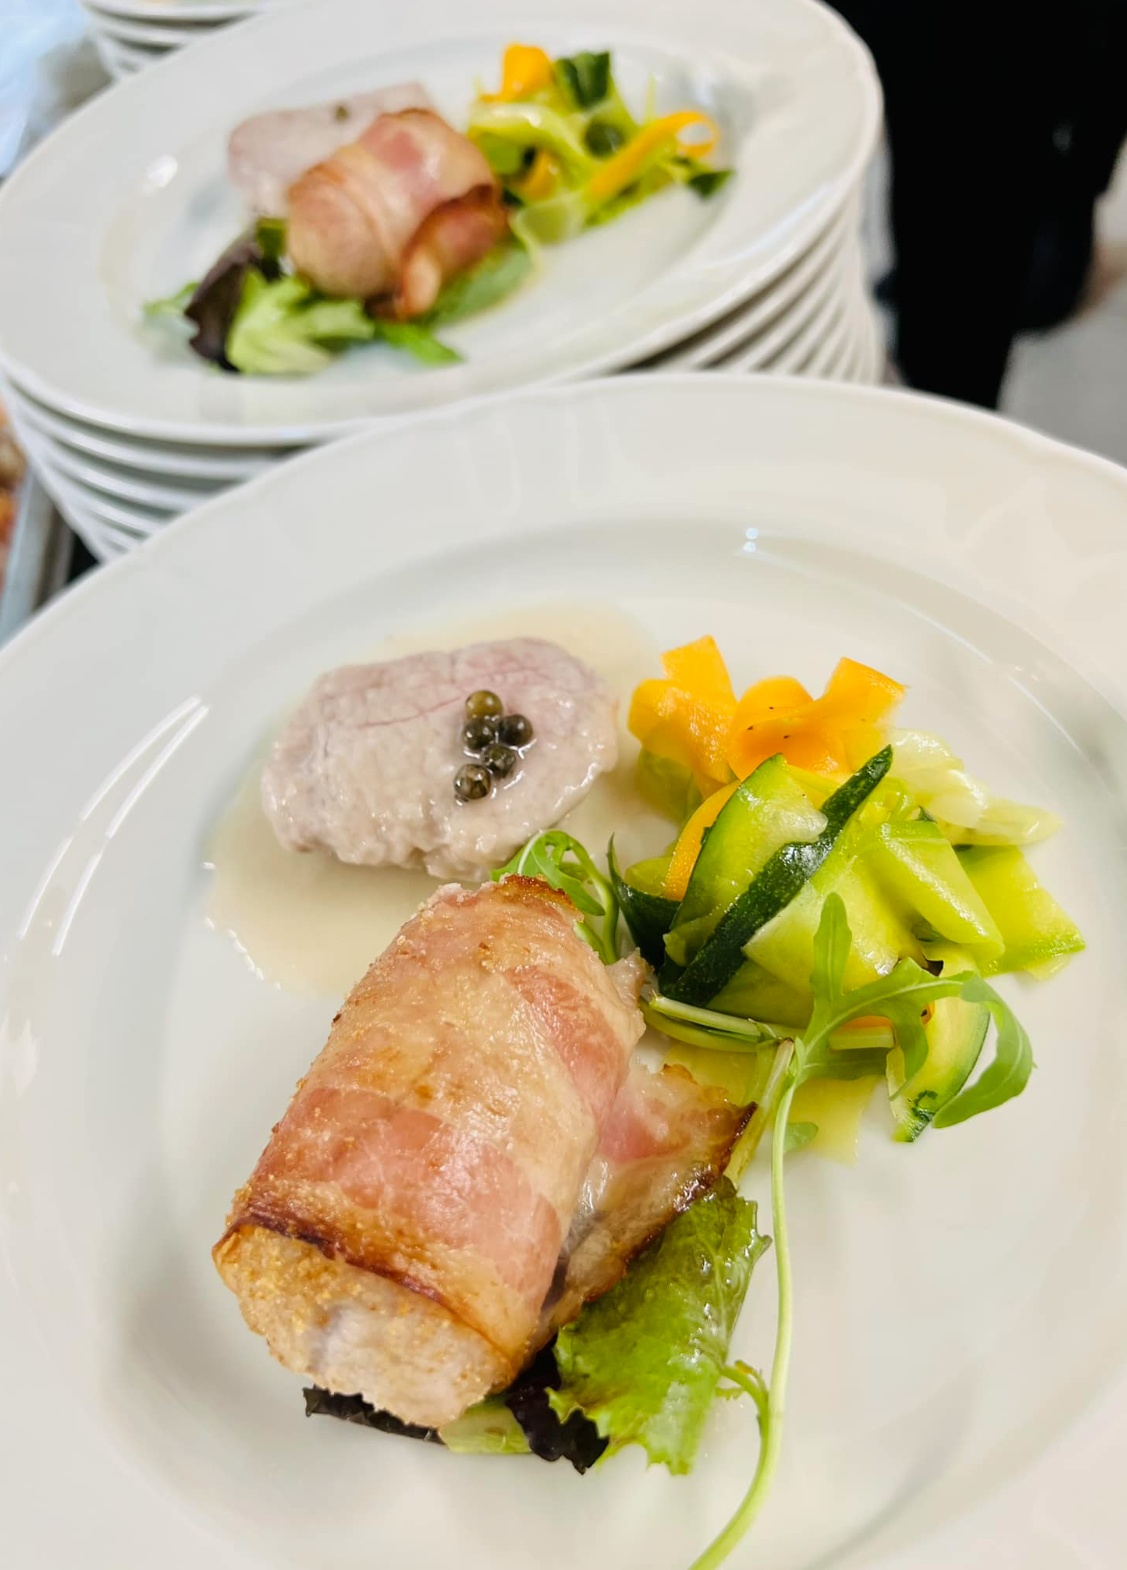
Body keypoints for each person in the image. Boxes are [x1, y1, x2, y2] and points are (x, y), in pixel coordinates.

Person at [831, 1, 1127, 408]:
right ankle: (926, 341)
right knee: (922, 197)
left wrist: (1089, 166)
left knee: (985, 282)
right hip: (922, 50)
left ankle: (956, 389)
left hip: (1020, 55)